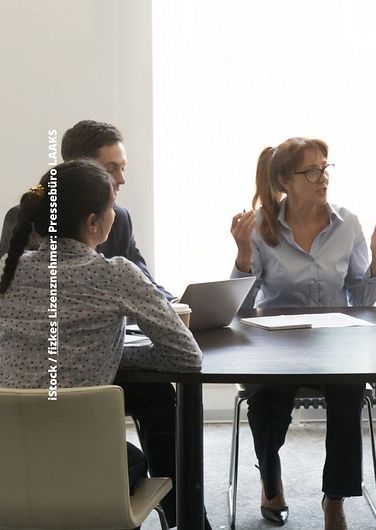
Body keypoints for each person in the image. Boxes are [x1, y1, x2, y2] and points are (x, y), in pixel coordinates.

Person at [0, 160, 211, 529]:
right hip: (82, 469)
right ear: (94, 223)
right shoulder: (115, 274)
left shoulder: (8, 268)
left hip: (9, 466)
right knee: (131, 460)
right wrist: (115, 353)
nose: (116, 214)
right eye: (111, 207)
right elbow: (187, 356)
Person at [230, 137, 376, 529]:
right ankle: (271, 482)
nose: (322, 178)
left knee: (348, 391)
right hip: (275, 344)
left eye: (325, 168)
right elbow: (241, 308)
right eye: (311, 171)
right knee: (266, 403)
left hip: (334, 344)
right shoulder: (260, 227)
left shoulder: (348, 223)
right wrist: (242, 259)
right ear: (285, 181)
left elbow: (361, 298)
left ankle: (335, 498)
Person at [0, 120, 173, 299]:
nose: (122, 179)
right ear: (79, 169)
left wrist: (176, 304)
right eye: (111, 169)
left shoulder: (119, 217)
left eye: (123, 168)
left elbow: (144, 281)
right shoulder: (30, 216)